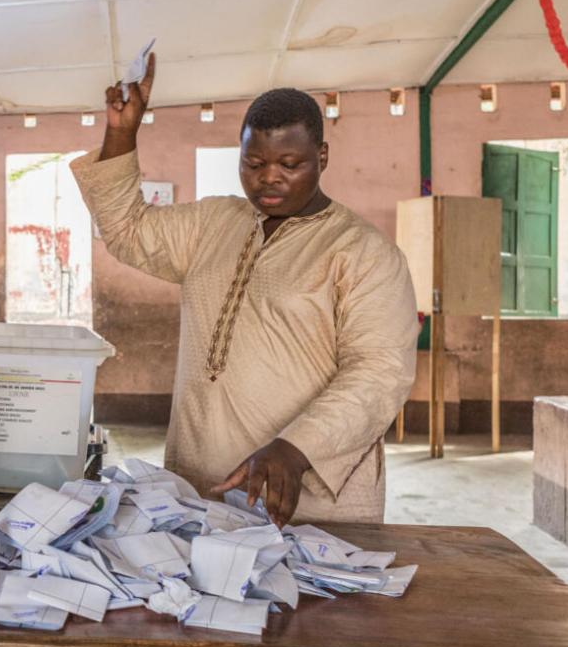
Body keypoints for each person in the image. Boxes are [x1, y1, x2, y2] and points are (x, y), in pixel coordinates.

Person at [71, 55, 417, 527]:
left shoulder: (362, 252)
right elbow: (129, 230)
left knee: (313, 600)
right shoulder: (215, 223)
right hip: (200, 487)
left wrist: (298, 449)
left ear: (323, 157)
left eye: (289, 164)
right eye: (253, 163)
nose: (269, 177)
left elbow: (381, 372)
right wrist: (122, 133)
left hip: (306, 500)